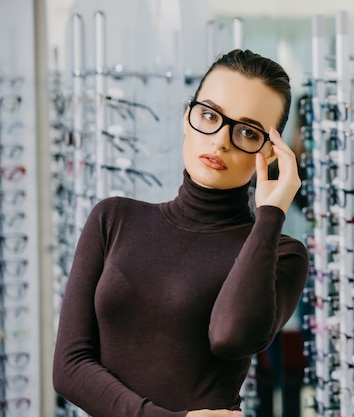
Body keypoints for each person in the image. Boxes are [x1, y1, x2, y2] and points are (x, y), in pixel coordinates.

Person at [52, 49, 310, 417]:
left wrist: (271, 214)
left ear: (270, 153)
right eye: (209, 115)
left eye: (247, 131)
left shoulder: (281, 253)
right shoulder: (113, 218)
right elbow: (69, 368)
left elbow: (231, 336)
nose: (221, 140)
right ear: (186, 118)